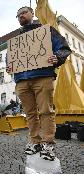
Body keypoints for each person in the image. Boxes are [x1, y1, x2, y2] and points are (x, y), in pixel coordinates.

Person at [9, 6, 71, 161]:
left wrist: (57, 57)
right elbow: (10, 60)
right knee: (30, 114)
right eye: (18, 15)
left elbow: (63, 48)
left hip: (42, 76)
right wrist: (10, 66)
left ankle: (48, 143)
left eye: (23, 13)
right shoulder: (16, 41)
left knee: (46, 111)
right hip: (22, 80)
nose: (21, 16)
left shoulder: (46, 30)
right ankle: (34, 141)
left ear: (32, 14)